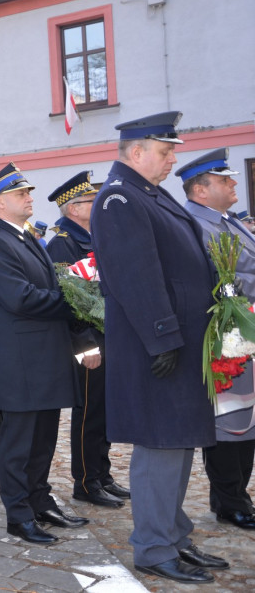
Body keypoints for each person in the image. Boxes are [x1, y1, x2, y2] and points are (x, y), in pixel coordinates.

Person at [91, 112, 228, 584]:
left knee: (179, 444)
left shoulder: (146, 192)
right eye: (166, 151)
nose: (173, 158)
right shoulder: (118, 198)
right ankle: (152, 548)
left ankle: (174, 537)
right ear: (136, 152)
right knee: (159, 448)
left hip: (176, 343)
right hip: (157, 347)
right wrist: (163, 337)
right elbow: (136, 276)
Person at [0, 163, 87, 545]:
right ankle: (18, 514)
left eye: (28, 193)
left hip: (44, 360)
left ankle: (40, 501)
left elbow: (48, 285)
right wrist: (73, 301)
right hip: (18, 365)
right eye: (21, 194)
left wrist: (73, 295)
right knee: (18, 446)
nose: (29, 198)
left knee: (43, 441)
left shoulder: (25, 239)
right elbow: (20, 298)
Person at [177, 148, 255, 531]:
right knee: (229, 423)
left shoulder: (228, 221)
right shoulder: (195, 224)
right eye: (225, 180)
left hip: (244, 332)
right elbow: (215, 280)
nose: (234, 183)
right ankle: (230, 500)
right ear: (200, 190)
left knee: (247, 418)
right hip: (225, 338)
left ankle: (236, 494)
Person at [45, 171, 130, 509]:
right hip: (88, 342)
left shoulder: (94, 237)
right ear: (74, 209)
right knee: (88, 413)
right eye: (90, 201)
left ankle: (102, 474)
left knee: (106, 411)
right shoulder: (62, 243)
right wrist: (85, 344)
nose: (97, 205)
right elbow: (67, 299)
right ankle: (85, 482)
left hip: (109, 335)